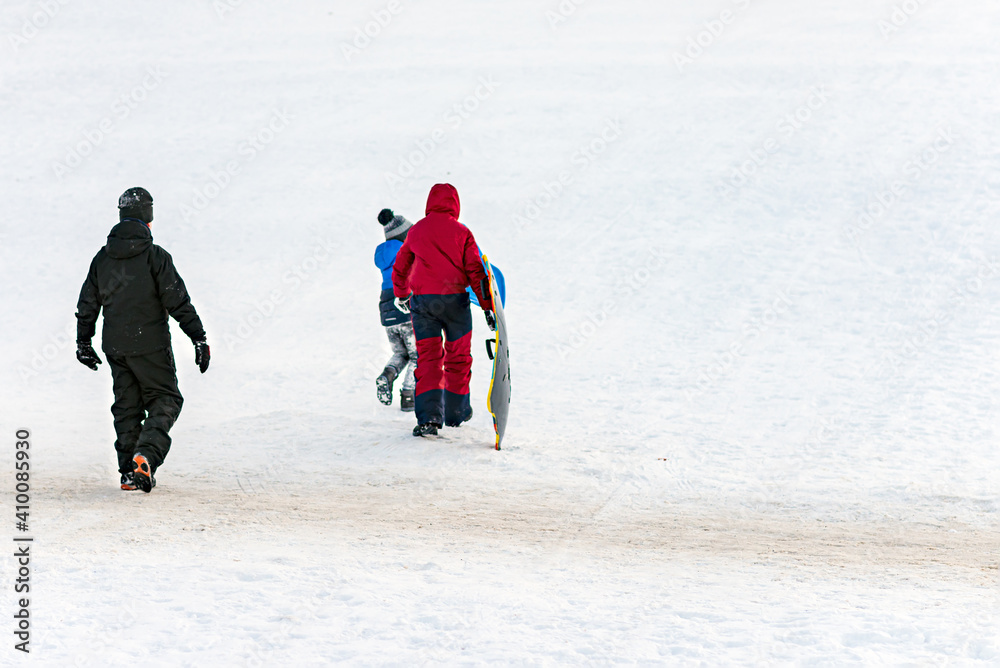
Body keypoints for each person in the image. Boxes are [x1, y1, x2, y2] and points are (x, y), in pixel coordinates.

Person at [75, 187, 210, 493]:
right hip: (150, 345)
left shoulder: (103, 258)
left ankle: (127, 473)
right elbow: (178, 302)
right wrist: (198, 337)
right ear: (149, 218)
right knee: (166, 398)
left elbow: (87, 303)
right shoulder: (155, 257)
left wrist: (84, 342)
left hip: (115, 347)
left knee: (127, 406)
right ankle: (145, 455)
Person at [392, 183, 495, 437]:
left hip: (424, 304)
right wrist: (487, 306)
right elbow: (476, 271)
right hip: (455, 302)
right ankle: (456, 412)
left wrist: (402, 294)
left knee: (428, 358)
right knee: (458, 356)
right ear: (455, 204)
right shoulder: (462, 232)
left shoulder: (416, 231)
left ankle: (429, 418)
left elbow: (401, 266)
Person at [373, 208, 417, 411]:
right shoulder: (406, 253)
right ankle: (409, 396)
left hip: (386, 309)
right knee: (417, 355)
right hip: (404, 305)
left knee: (401, 353)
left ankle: (386, 376)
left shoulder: (384, 256)